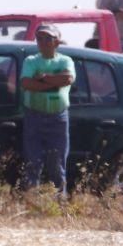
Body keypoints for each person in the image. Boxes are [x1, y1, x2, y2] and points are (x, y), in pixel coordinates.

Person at [19, 24, 75, 192]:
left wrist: (42, 78)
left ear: (57, 42)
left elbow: (67, 79)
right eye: (40, 38)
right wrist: (53, 83)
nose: (43, 42)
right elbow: (26, 83)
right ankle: (32, 202)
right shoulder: (30, 61)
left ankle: (59, 204)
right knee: (32, 162)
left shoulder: (65, 60)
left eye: (48, 38)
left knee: (57, 164)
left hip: (58, 117)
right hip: (34, 116)